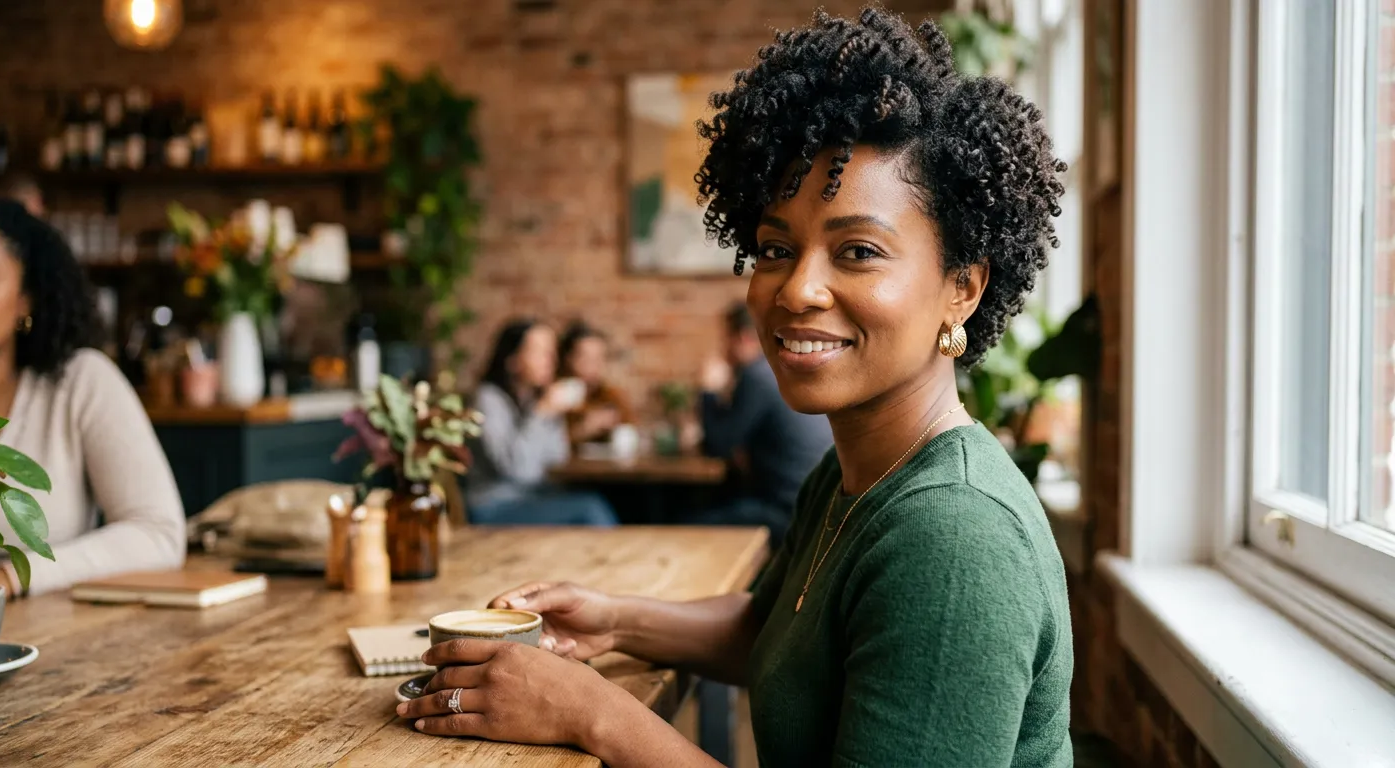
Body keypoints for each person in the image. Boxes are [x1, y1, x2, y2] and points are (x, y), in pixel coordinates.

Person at [393, 10, 1071, 767]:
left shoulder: (954, 538)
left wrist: (596, 716)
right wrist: (614, 622)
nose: (798, 289)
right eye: (777, 248)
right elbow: (775, 632)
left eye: (857, 250)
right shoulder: (857, 470)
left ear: (963, 289)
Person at [0, 198, 185, 598]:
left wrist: (10, 577)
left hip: (50, 637)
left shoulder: (79, 383)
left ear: (26, 297)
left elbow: (158, 532)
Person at [691, 301, 832, 546]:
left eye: (726, 339)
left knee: (683, 525)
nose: (724, 348)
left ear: (744, 338)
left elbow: (717, 446)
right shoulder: (782, 369)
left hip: (786, 511)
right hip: (814, 505)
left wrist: (707, 391)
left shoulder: (757, 375)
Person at [465, 318, 619, 526]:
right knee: (590, 509)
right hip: (495, 507)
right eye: (540, 352)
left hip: (535, 497)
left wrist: (552, 414)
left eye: (552, 352)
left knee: (606, 501)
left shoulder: (533, 400)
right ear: (513, 360)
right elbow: (516, 470)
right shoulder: (487, 400)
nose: (551, 360)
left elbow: (556, 458)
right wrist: (542, 413)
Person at [557, 321, 632, 447]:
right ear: (568, 359)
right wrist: (583, 429)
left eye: (598, 358)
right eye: (586, 358)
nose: (593, 366)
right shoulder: (554, 396)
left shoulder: (610, 396)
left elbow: (630, 430)